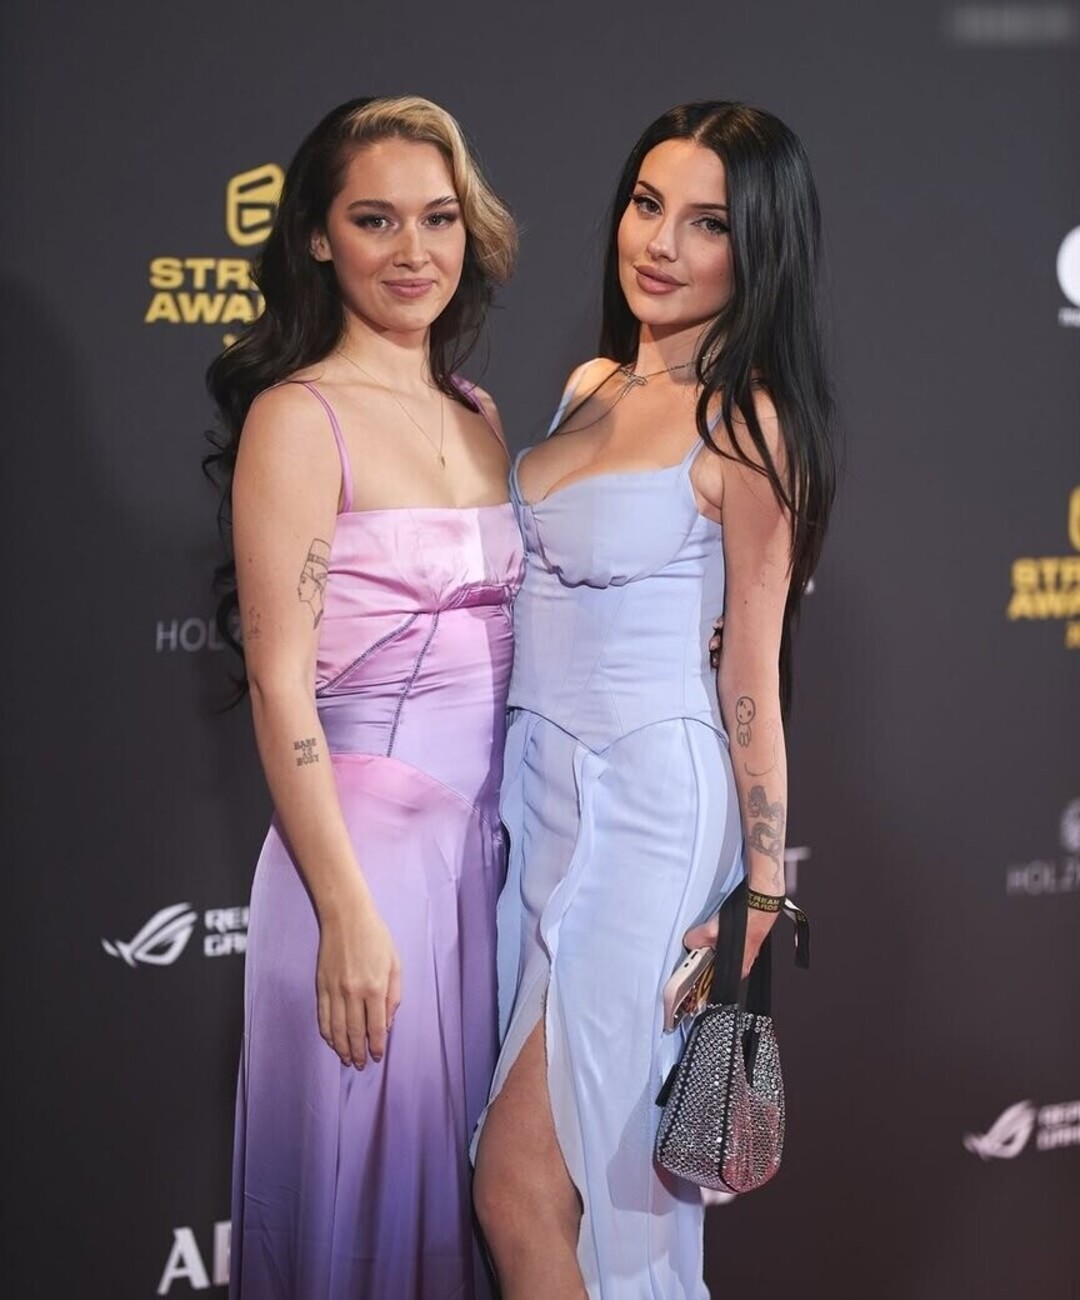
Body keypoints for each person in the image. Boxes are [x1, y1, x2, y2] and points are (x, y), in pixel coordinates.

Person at [472, 101, 836, 1298]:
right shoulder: (587, 385)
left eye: (707, 223)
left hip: (648, 811)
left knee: (531, 1180)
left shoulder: (751, 424)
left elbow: (751, 673)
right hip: (537, 804)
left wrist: (764, 886)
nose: (661, 243)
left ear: (759, 249)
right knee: (549, 1186)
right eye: (646, 204)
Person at [204, 95, 520, 1299]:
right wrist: (344, 910)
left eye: (437, 217)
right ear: (318, 236)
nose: (412, 249)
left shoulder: (480, 419)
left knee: (464, 1218)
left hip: (482, 873)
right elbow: (279, 685)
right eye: (375, 219)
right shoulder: (299, 417)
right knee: (360, 1222)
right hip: (361, 872)